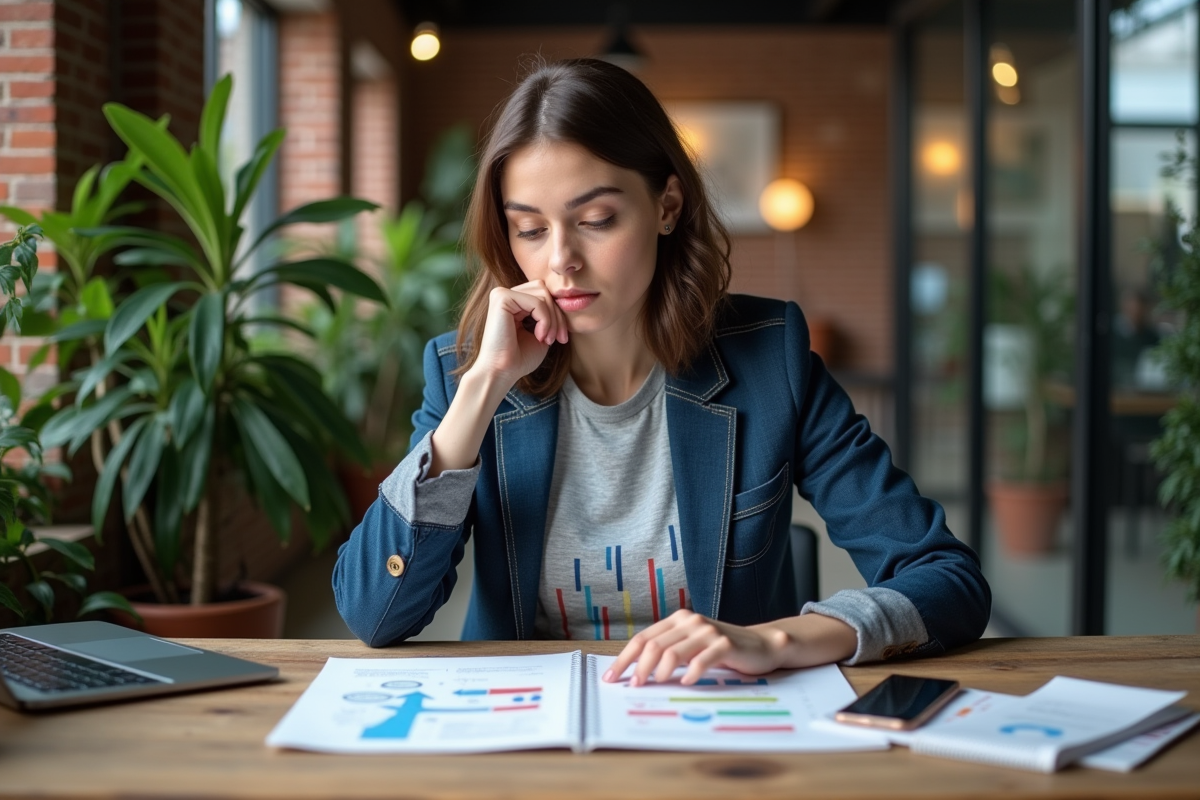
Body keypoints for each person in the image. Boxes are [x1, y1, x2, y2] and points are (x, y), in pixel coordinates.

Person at [333, 58, 990, 686]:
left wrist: (779, 639)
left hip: (720, 719)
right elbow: (373, 613)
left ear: (667, 206)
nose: (561, 260)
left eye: (596, 220)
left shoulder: (769, 362)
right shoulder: (466, 375)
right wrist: (480, 390)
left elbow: (945, 577)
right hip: (533, 727)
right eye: (529, 230)